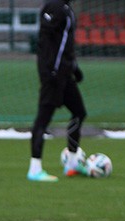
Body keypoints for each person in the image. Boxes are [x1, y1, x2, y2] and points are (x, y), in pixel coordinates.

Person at [28, 0, 88, 182]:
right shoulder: (56, 8)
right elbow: (49, 43)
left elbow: (64, 43)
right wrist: (51, 71)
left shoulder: (65, 9)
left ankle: (72, 162)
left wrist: (74, 69)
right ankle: (35, 168)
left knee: (79, 113)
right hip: (54, 75)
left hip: (64, 73)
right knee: (42, 120)